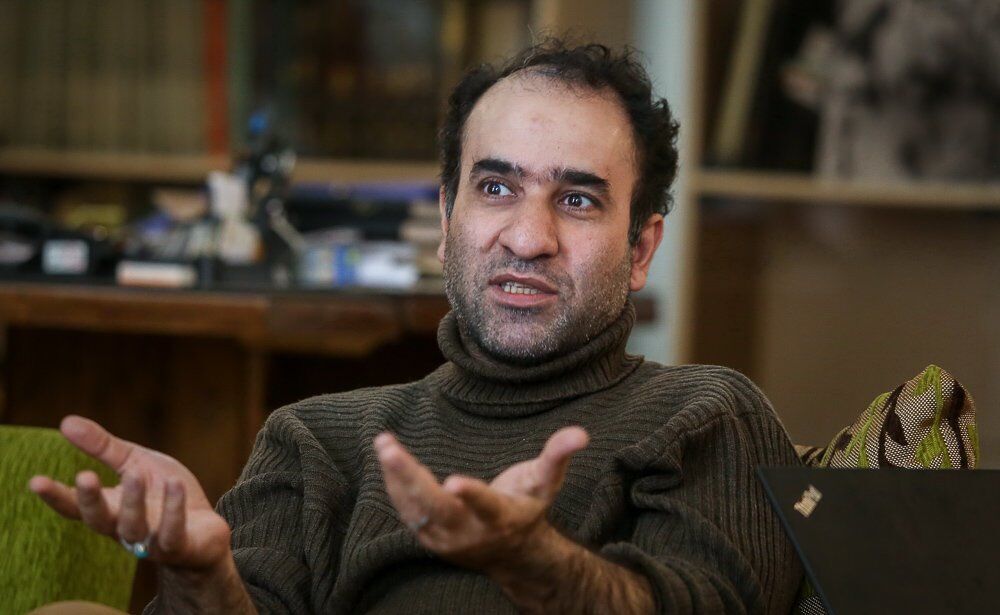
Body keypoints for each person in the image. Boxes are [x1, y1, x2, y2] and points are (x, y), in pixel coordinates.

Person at [30, 41, 803, 614]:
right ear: (446, 220)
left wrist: (534, 562)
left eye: (577, 200)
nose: (527, 237)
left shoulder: (704, 415)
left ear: (640, 249)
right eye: (495, 187)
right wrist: (202, 578)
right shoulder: (316, 439)